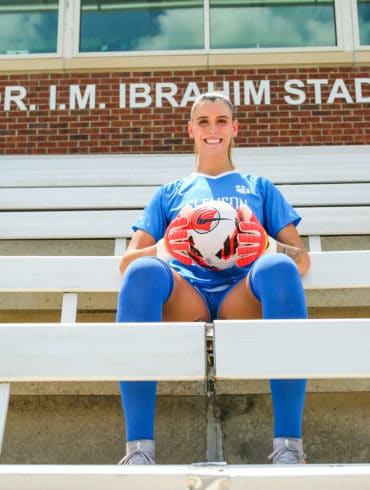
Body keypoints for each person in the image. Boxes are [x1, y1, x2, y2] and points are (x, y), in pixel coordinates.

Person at [116, 92, 311, 465]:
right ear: (191, 130)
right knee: (142, 272)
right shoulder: (171, 192)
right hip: (186, 296)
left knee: (279, 268)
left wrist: (267, 244)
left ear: (234, 128)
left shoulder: (258, 187)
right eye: (203, 122)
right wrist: (166, 249)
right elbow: (127, 262)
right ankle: (139, 450)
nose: (212, 129)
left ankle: (289, 447)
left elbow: (301, 260)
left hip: (241, 295)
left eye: (221, 120)